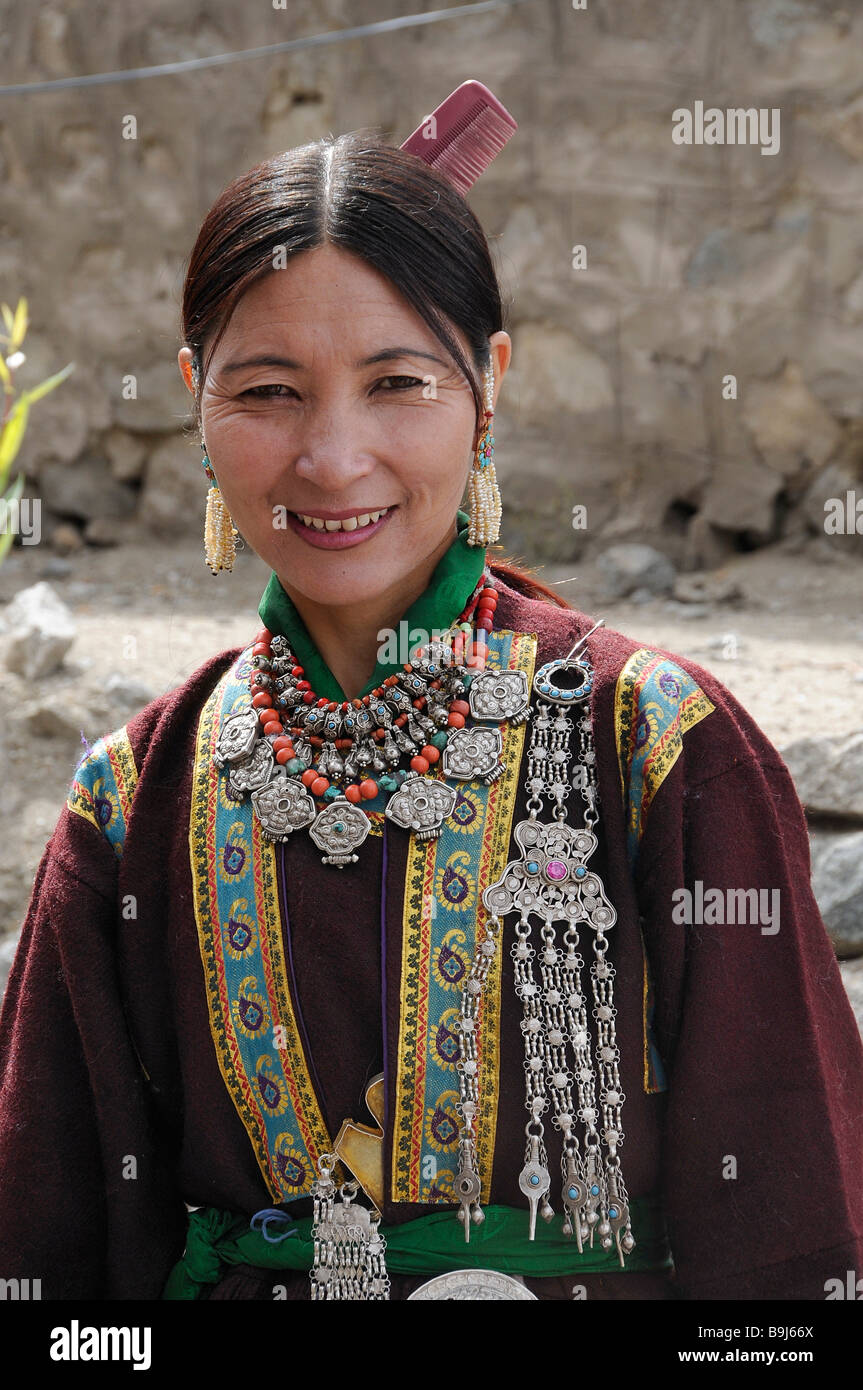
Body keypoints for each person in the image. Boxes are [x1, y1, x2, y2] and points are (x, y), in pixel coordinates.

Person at [0, 129, 861, 1303]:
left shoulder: (658, 744)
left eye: (397, 383)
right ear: (195, 398)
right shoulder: (129, 797)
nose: (332, 456)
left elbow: (791, 1237)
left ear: (488, 386)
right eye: (267, 391)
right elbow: (50, 1253)